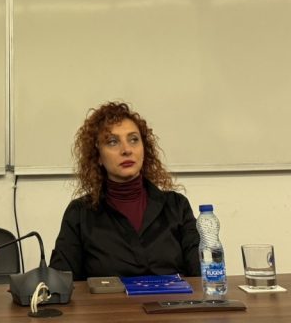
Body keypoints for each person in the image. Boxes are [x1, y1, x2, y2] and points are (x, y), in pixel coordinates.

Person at [50, 101, 200, 280]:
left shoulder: (176, 206)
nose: (126, 150)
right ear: (98, 156)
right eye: (113, 142)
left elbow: (203, 275)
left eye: (134, 139)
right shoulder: (80, 213)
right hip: (109, 308)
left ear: (144, 149)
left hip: (170, 306)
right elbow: (60, 281)